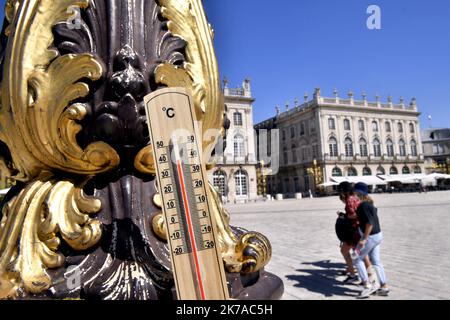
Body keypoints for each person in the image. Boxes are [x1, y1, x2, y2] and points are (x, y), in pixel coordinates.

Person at [352, 182, 390, 299]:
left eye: (355, 192)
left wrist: (364, 238)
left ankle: (367, 285)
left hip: (370, 237)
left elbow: (369, 223)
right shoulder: (369, 204)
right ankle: (384, 286)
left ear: (359, 192)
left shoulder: (363, 206)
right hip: (378, 235)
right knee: (376, 261)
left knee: (356, 257)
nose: (353, 194)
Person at [335, 182, 373, 284]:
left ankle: (363, 277)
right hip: (357, 230)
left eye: (341, 191)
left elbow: (354, 215)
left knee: (359, 255)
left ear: (344, 191)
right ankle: (368, 277)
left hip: (354, 232)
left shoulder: (349, 200)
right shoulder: (355, 198)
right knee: (361, 255)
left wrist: (344, 216)